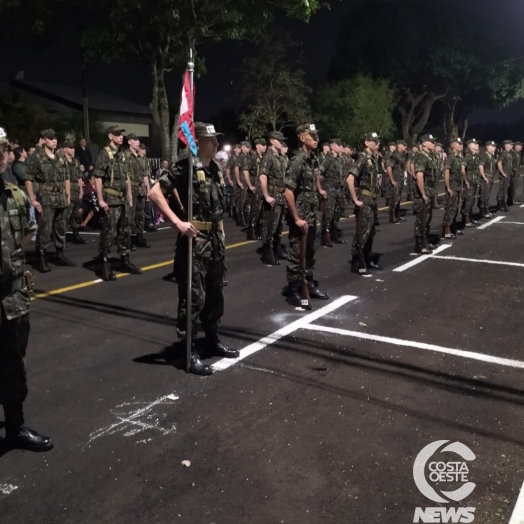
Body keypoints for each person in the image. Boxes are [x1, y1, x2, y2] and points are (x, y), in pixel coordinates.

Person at [147, 122, 239, 376]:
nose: (216, 143)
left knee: (215, 295)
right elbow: (154, 193)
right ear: (197, 142)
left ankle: (212, 339)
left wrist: (220, 232)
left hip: (215, 240)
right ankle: (188, 352)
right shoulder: (186, 166)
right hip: (195, 242)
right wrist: (177, 222)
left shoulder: (215, 169)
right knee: (193, 299)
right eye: (210, 140)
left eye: (216, 139)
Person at [0, 149, 53, 452]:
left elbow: (25, 236)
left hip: (12, 298)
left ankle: (15, 428)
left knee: (13, 365)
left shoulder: (16, 196)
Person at [283, 124, 329, 306]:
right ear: (302, 138)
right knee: (297, 253)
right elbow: (288, 191)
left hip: (310, 213)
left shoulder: (312, 159)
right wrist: (296, 218)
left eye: (316, 136)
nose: (316, 139)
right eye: (312, 136)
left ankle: (308, 283)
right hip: (301, 214)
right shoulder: (297, 160)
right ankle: (294, 289)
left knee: (309, 251)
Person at [94, 125, 142, 281]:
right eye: (117, 134)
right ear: (110, 136)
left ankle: (124, 259)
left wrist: (129, 197)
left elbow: (127, 177)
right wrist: (100, 199)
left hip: (122, 199)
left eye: (122, 134)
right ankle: (105, 262)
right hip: (111, 198)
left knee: (125, 230)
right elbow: (98, 177)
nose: (121, 137)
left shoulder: (121, 155)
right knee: (109, 232)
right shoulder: (105, 154)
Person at [26, 129, 76, 272]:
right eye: (50, 138)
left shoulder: (60, 158)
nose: (54, 141)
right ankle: (41, 258)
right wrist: (33, 199)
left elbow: (66, 178)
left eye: (55, 138)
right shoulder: (38, 157)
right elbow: (29, 179)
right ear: (44, 140)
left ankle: (60, 255)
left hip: (60, 198)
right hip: (46, 198)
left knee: (61, 229)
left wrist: (67, 196)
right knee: (45, 230)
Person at [347, 132, 381, 273]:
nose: (377, 144)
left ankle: (366, 258)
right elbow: (349, 179)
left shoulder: (372, 159)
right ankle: (357, 260)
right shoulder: (362, 158)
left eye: (378, 141)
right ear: (367, 143)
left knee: (371, 231)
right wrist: (355, 200)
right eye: (374, 141)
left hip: (372, 199)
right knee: (363, 232)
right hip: (365, 199)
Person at [259, 131, 287, 266]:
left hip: (281, 196)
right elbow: (263, 176)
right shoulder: (268, 156)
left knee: (279, 226)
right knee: (271, 226)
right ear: (272, 141)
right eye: (279, 140)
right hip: (273, 195)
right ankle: (268, 253)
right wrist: (266, 196)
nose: (281, 142)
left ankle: (276, 249)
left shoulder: (279, 157)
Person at [413, 134, 438, 254]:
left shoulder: (429, 156)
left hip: (430, 192)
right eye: (431, 142)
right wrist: (423, 193)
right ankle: (420, 244)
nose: (433, 143)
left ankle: (425, 241)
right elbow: (419, 175)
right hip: (424, 193)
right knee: (422, 219)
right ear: (424, 143)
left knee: (427, 219)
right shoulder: (421, 156)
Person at [319, 138, 346, 247]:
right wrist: (321, 190)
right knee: (328, 215)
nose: (340, 147)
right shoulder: (328, 159)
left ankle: (334, 236)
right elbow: (319, 174)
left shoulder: (338, 160)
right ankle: (326, 238)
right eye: (338, 145)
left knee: (336, 214)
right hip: (329, 189)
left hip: (337, 190)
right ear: (332, 147)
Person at [125, 135, 151, 249]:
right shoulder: (125, 156)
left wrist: (148, 191)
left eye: (138, 140)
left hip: (141, 190)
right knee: (130, 215)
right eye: (135, 140)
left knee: (140, 215)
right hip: (132, 188)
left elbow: (145, 175)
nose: (137, 142)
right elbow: (125, 176)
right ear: (129, 142)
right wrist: (128, 193)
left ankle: (139, 237)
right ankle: (128, 239)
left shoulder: (142, 158)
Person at [62, 140, 87, 244]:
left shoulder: (75, 162)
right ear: (65, 149)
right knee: (65, 216)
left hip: (75, 191)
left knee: (75, 214)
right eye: (70, 148)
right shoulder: (61, 161)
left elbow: (79, 177)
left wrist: (81, 190)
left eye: (73, 148)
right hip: (66, 191)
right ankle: (62, 238)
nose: (73, 150)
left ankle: (76, 235)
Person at [442, 138, 465, 239]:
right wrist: (448, 187)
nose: (461, 146)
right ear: (454, 146)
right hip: (452, 186)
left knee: (454, 209)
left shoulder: (458, 158)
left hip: (458, 186)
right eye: (459, 144)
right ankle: (446, 230)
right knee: (449, 209)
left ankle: (453, 228)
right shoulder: (451, 157)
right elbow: (446, 172)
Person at [245, 138, 267, 241]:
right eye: (262, 145)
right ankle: (251, 232)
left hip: (262, 187)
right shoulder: (253, 156)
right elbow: (245, 171)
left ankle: (259, 231)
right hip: (255, 186)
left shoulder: (264, 157)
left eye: (265, 145)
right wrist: (250, 185)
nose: (265, 146)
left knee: (262, 211)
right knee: (255, 211)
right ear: (257, 145)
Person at [387, 140, 408, 224]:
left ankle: (397, 215)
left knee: (398, 198)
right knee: (394, 198)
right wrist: (392, 180)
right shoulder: (395, 155)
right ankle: (393, 217)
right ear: (399, 145)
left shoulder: (402, 155)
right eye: (404, 145)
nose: (405, 147)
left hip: (400, 179)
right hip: (396, 179)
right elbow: (389, 167)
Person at [461, 139, 481, 227]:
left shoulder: (475, 156)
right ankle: (466, 218)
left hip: (474, 181)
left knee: (472, 200)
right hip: (469, 181)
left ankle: (470, 216)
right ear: (470, 146)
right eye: (475, 144)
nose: (477, 145)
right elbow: (462, 168)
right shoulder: (468, 155)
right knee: (468, 200)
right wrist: (465, 180)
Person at [479, 141, 497, 219]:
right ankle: (483, 211)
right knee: (484, 195)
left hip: (490, 178)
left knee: (487, 195)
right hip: (486, 178)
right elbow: (481, 166)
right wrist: (484, 177)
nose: (494, 148)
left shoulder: (491, 156)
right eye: (493, 146)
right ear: (488, 147)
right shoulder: (485, 155)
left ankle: (486, 210)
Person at [497, 140, 513, 212]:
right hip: (505, 174)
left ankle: (503, 204)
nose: (512, 145)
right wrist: (503, 173)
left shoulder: (509, 153)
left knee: (505, 189)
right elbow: (499, 163)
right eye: (510, 144)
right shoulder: (503, 153)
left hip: (508, 174)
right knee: (503, 190)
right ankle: (501, 205)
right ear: (506, 145)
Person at [510, 141, 522, 205]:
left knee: (514, 186)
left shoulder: (517, 153)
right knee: (512, 187)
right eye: (520, 146)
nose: (521, 147)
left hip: (516, 172)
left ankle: (512, 200)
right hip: (513, 173)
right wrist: (514, 170)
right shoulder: (513, 154)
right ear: (516, 146)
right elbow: (510, 163)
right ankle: (511, 200)